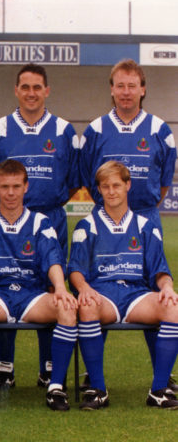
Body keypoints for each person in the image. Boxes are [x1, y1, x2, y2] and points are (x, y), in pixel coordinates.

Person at [0, 63, 81, 390]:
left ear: (47, 91)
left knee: (52, 290)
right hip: (8, 219)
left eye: (37, 87)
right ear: (16, 90)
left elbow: (71, 182)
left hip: (50, 218)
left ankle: (48, 367)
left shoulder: (64, 131)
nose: (31, 93)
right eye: (25, 87)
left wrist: (43, 204)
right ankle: (5, 366)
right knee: (4, 282)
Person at [79, 58, 176, 378]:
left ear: (143, 89)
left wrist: (138, 211)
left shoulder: (160, 130)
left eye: (132, 86)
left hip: (145, 216)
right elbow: (86, 175)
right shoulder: (95, 130)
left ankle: (162, 373)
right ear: (111, 89)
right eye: (120, 85)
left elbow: (163, 182)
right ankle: (94, 374)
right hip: (103, 218)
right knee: (97, 285)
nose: (125, 92)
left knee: (153, 289)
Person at [0, 159, 77, 411]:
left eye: (16, 186)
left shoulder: (41, 222)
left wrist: (60, 288)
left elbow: (52, 259)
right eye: (5, 187)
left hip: (31, 296)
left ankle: (56, 387)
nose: (11, 193)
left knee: (67, 308)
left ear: (26, 187)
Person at [68, 161, 178, 410]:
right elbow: (76, 270)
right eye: (105, 186)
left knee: (172, 308)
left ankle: (159, 390)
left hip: (136, 295)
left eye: (117, 185)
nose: (112, 191)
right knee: (87, 308)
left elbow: (160, 270)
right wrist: (84, 289)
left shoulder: (145, 226)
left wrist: (168, 288)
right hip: (102, 294)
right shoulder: (87, 226)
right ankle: (97, 389)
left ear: (128, 185)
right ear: (99, 190)